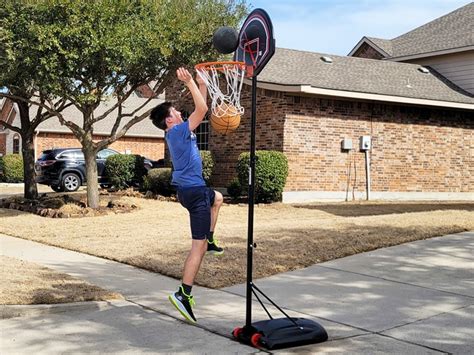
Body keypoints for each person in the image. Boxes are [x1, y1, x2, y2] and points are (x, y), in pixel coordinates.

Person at [150, 67, 224, 323]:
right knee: (197, 248)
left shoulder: (179, 132)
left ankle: (211, 239)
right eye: (175, 112)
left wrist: (202, 84)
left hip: (191, 191)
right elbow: (202, 111)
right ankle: (184, 293)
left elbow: (199, 106)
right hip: (194, 193)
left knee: (218, 198)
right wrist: (191, 82)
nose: (179, 113)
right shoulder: (178, 132)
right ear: (169, 120)